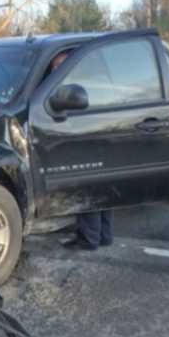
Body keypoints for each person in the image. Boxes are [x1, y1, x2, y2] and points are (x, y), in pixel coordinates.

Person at [47, 49, 114, 251]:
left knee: (86, 187)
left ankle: (88, 238)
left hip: (86, 138)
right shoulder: (95, 80)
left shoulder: (76, 85)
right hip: (101, 136)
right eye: (55, 66)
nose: (57, 69)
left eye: (61, 65)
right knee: (101, 188)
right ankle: (104, 235)